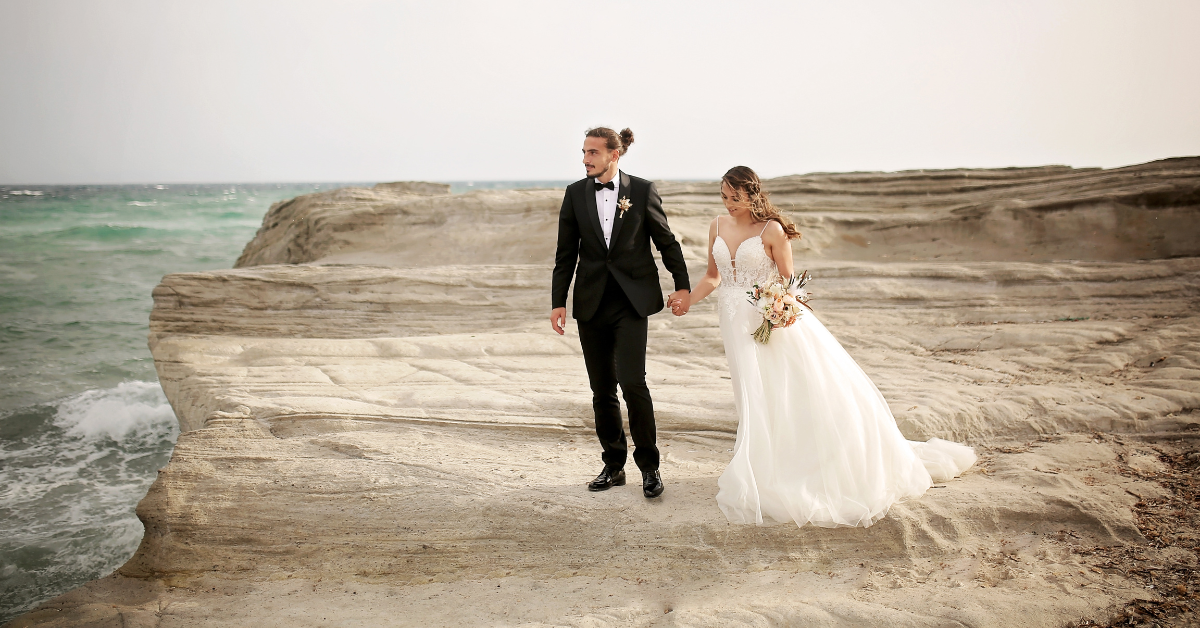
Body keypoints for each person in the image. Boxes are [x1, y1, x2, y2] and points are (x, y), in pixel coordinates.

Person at [672, 166, 976, 527]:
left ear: (752, 194)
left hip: (769, 321)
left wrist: (779, 309)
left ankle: (800, 465)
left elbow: (788, 282)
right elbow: (714, 276)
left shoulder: (772, 230)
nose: (728, 203)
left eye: (735, 197)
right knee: (751, 392)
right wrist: (690, 300)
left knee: (786, 390)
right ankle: (763, 459)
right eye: (724, 196)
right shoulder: (717, 225)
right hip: (732, 320)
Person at [550, 127, 691, 499]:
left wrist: (682, 285)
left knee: (632, 383)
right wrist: (558, 301)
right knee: (601, 390)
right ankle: (614, 466)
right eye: (583, 152)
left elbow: (666, 240)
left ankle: (650, 467)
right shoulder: (575, 194)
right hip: (592, 302)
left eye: (593, 153)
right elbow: (565, 253)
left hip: (631, 301)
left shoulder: (642, 190)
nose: (585, 159)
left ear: (614, 155)